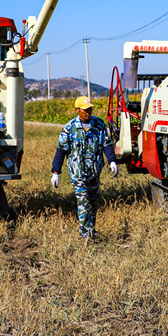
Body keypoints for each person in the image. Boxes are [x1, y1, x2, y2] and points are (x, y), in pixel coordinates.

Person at [50, 96, 118, 239]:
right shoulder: (69, 128)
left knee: (93, 202)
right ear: (77, 110)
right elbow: (61, 150)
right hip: (78, 172)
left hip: (94, 171)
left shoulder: (98, 125)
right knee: (83, 201)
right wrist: (56, 171)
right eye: (85, 110)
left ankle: (91, 229)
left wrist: (112, 161)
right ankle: (85, 234)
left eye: (90, 109)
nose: (88, 112)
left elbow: (106, 144)